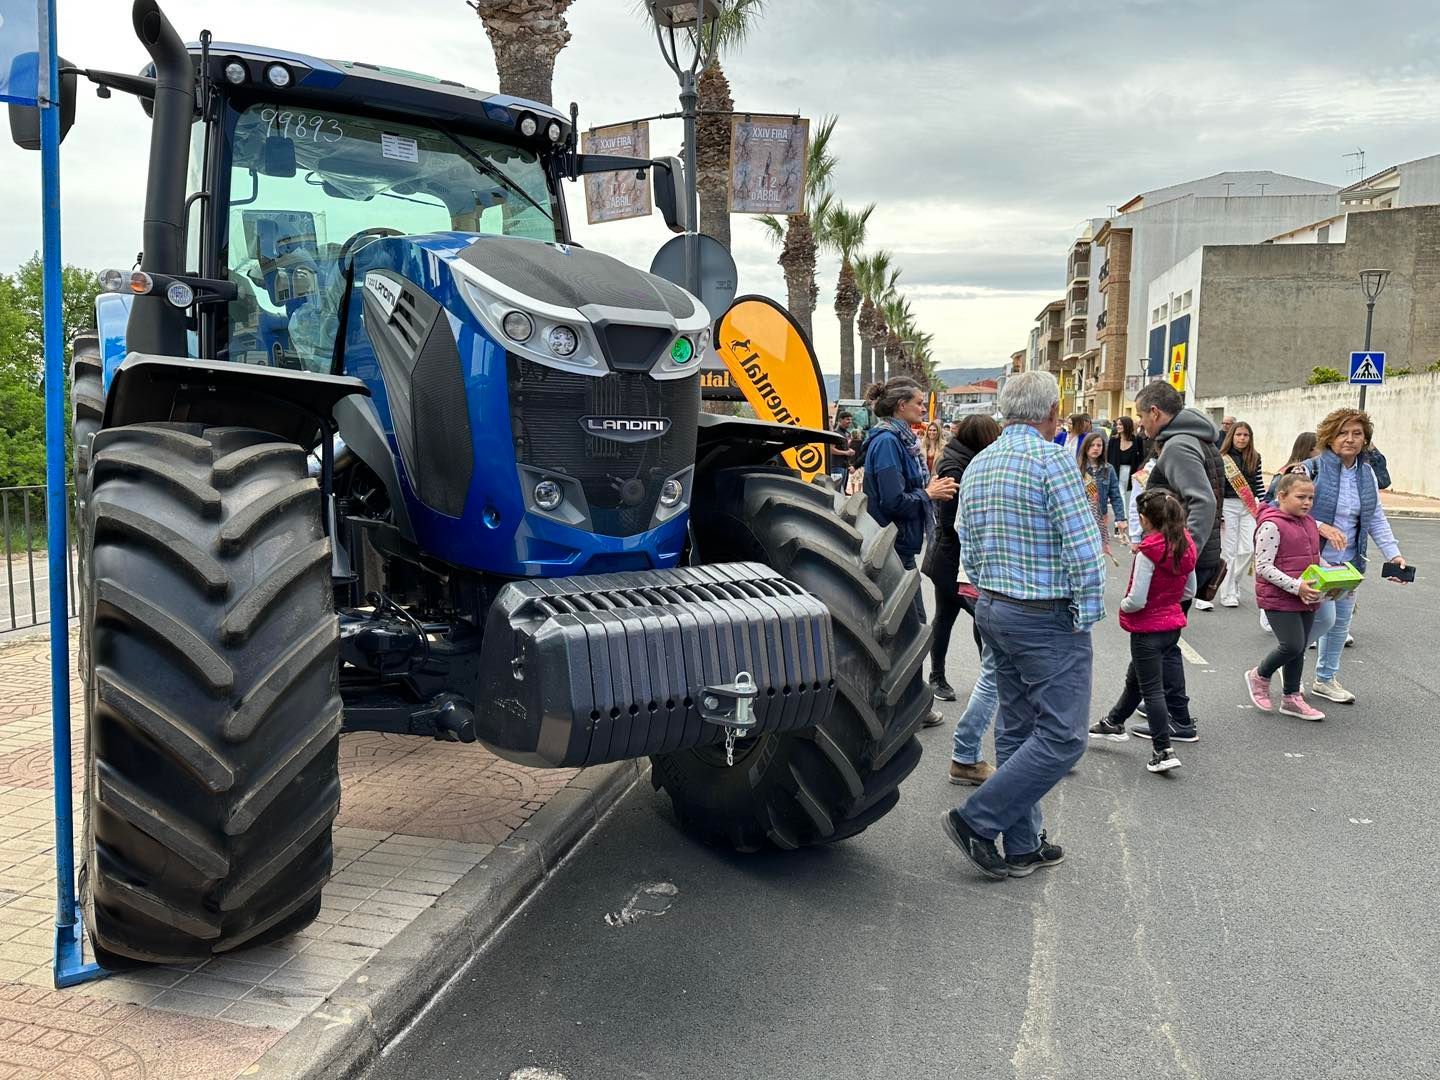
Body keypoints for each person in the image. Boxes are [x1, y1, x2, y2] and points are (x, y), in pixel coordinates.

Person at [941, 371, 1104, 880]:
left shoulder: (981, 462)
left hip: (993, 607)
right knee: (1063, 737)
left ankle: (1024, 844)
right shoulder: (1053, 459)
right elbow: (1083, 547)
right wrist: (1088, 612)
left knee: (1016, 729)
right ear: (1051, 414)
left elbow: (964, 531)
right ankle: (976, 820)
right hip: (1043, 613)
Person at [1129, 381, 1223, 742]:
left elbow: (1203, 502)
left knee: (1158, 642)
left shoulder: (1179, 445)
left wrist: (1181, 554)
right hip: (1182, 557)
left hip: (1178, 560)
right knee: (1156, 642)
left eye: (1141, 415)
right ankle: (1140, 707)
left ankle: (1177, 720)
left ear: (1156, 412)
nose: (1141, 424)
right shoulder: (1192, 437)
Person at [862, 377, 957, 728]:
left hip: (900, 545)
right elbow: (892, 500)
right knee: (912, 629)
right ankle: (911, 707)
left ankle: (906, 704)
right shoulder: (888, 442)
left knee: (907, 628)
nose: (923, 407)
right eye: (918, 402)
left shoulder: (897, 439)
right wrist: (928, 494)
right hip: (894, 547)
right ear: (901, 406)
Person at [1299, 409, 1407, 705]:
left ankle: (1325, 679)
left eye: (1357, 434)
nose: (1350, 439)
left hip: (1348, 565)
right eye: (1343, 433)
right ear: (1329, 437)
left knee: (1339, 624)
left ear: (1365, 440)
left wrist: (1393, 554)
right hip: (1312, 562)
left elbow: (1375, 518)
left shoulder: (1366, 473)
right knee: (1316, 622)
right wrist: (1322, 527)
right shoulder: (1311, 468)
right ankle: (1281, 668)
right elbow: (1283, 510)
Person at [1088, 488, 1197, 772]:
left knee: (1151, 689)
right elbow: (1190, 589)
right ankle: (1114, 722)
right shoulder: (1186, 544)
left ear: (1146, 519)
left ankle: (1163, 749)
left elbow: (1137, 598)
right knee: (1136, 678)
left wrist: (1123, 606)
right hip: (1171, 624)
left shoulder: (1149, 551)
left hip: (1147, 628)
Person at [922, 414, 1002, 784]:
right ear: (981, 435)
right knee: (974, 616)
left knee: (949, 617)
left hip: (951, 556)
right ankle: (946, 677)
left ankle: (939, 676)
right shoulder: (957, 463)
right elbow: (954, 512)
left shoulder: (961, 456)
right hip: (952, 557)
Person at [1245, 472, 1327, 720]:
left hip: (1307, 595)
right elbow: (1264, 566)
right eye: (1301, 497)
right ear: (1281, 496)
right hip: (1279, 597)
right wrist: (1296, 586)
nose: (1307, 503)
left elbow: (1313, 559)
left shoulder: (1310, 523)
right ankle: (1259, 675)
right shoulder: (1271, 525)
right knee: (1291, 644)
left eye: (1311, 498)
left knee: (1299, 647)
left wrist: (1333, 579)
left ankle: (1291, 698)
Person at [1217, 421, 1264, 609]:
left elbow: (1259, 484)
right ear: (1232, 436)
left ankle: (1232, 581)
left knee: (1248, 549)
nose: (1242, 438)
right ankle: (1227, 594)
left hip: (1248, 507)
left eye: (1246, 435)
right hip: (1227, 505)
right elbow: (1218, 486)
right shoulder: (1222, 458)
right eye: (1239, 435)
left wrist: (1264, 505)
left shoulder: (1255, 457)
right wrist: (1218, 510)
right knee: (1228, 551)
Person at [1077, 432, 1126, 561]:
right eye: (1092, 445)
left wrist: (1120, 518)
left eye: (1099, 445)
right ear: (1085, 447)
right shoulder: (1076, 468)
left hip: (1099, 517)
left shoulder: (1108, 469)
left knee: (1097, 555)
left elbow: (1115, 495)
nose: (1096, 448)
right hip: (1081, 518)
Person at [1106, 415, 1147, 497]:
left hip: (1132, 473)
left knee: (1130, 496)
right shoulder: (1113, 440)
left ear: (1127, 425)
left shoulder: (1137, 440)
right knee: (1120, 494)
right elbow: (1109, 458)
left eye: (1120, 424)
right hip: (1116, 472)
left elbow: (1141, 458)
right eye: (1117, 424)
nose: (1118, 426)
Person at [830, 411, 857, 487]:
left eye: (851, 420)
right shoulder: (835, 434)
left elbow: (844, 448)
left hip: (845, 466)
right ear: (840, 420)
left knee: (842, 490)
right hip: (836, 466)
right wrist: (846, 453)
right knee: (836, 490)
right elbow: (831, 450)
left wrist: (850, 451)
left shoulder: (847, 433)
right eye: (847, 419)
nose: (850, 421)